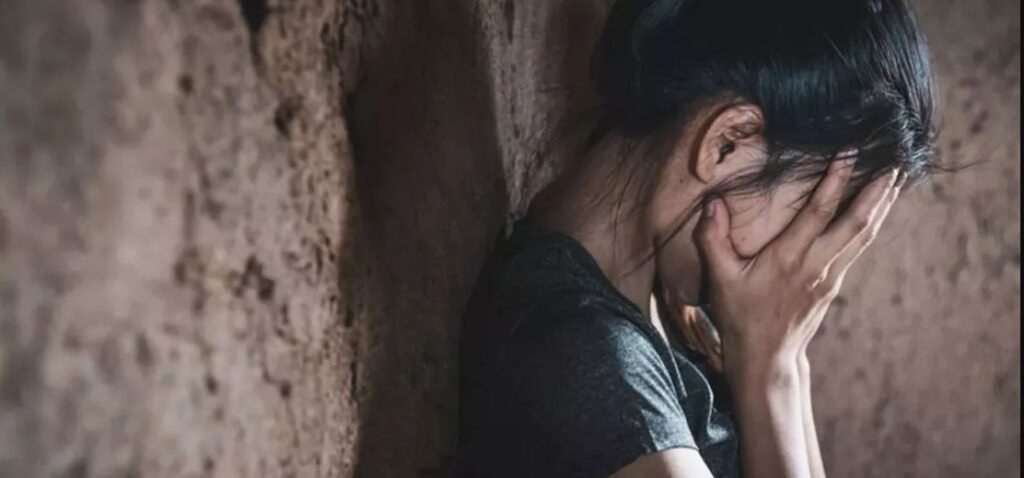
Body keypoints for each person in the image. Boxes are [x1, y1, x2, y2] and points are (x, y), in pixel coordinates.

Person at [458, 0, 936, 476]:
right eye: (816, 218)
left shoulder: (671, 313)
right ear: (727, 144)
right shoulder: (589, 362)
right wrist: (768, 371)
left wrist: (787, 363)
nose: (810, 270)